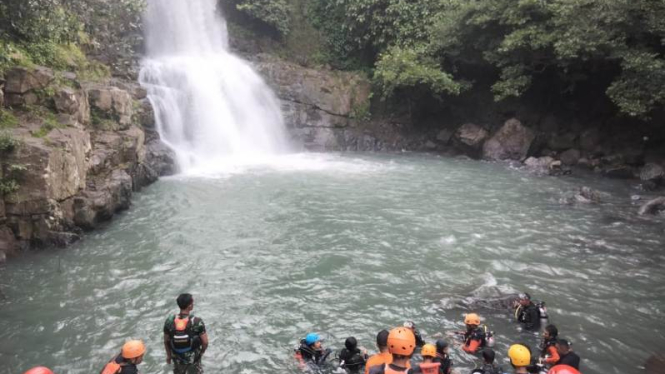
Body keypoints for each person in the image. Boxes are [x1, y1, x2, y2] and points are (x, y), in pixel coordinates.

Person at [164, 293, 209, 374]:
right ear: (189, 306)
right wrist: (201, 353)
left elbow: (166, 341)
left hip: (177, 358)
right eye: (192, 302)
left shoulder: (170, 320)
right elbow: (205, 342)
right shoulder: (197, 321)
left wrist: (169, 356)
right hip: (193, 358)